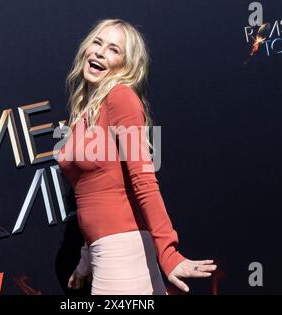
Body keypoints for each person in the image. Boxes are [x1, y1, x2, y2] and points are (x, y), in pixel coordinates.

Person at [56, 18, 216, 295]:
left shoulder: (121, 98)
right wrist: (86, 257)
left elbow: (143, 180)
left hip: (123, 255)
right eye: (97, 42)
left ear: (126, 65)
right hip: (104, 253)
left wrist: (168, 252)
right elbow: (88, 193)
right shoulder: (84, 111)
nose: (99, 52)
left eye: (113, 49)